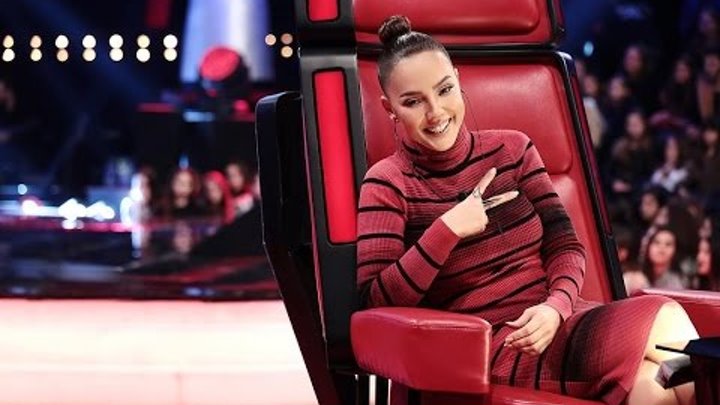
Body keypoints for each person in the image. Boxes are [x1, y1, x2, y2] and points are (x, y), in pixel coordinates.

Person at [356, 15, 699, 405]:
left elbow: (566, 247)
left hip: (558, 317)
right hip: (495, 345)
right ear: (389, 107)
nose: (435, 112)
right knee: (666, 321)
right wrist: (446, 230)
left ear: (458, 79)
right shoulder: (387, 182)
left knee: (655, 385)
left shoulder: (513, 149)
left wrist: (556, 307)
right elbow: (374, 303)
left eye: (444, 89)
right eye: (413, 101)